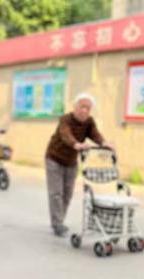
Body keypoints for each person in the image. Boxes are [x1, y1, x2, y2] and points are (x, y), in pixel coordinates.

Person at [44, 93, 113, 237]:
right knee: (56, 193)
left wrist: (104, 143)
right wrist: (76, 144)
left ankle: (58, 221)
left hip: (71, 162)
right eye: (82, 107)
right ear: (75, 107)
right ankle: (58, 224)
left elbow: (95, 134)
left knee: (67, 194)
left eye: (88, 108)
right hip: (54, 159)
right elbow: (65, 134)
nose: (85, 111)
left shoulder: (89, 122)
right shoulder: (65, 119)